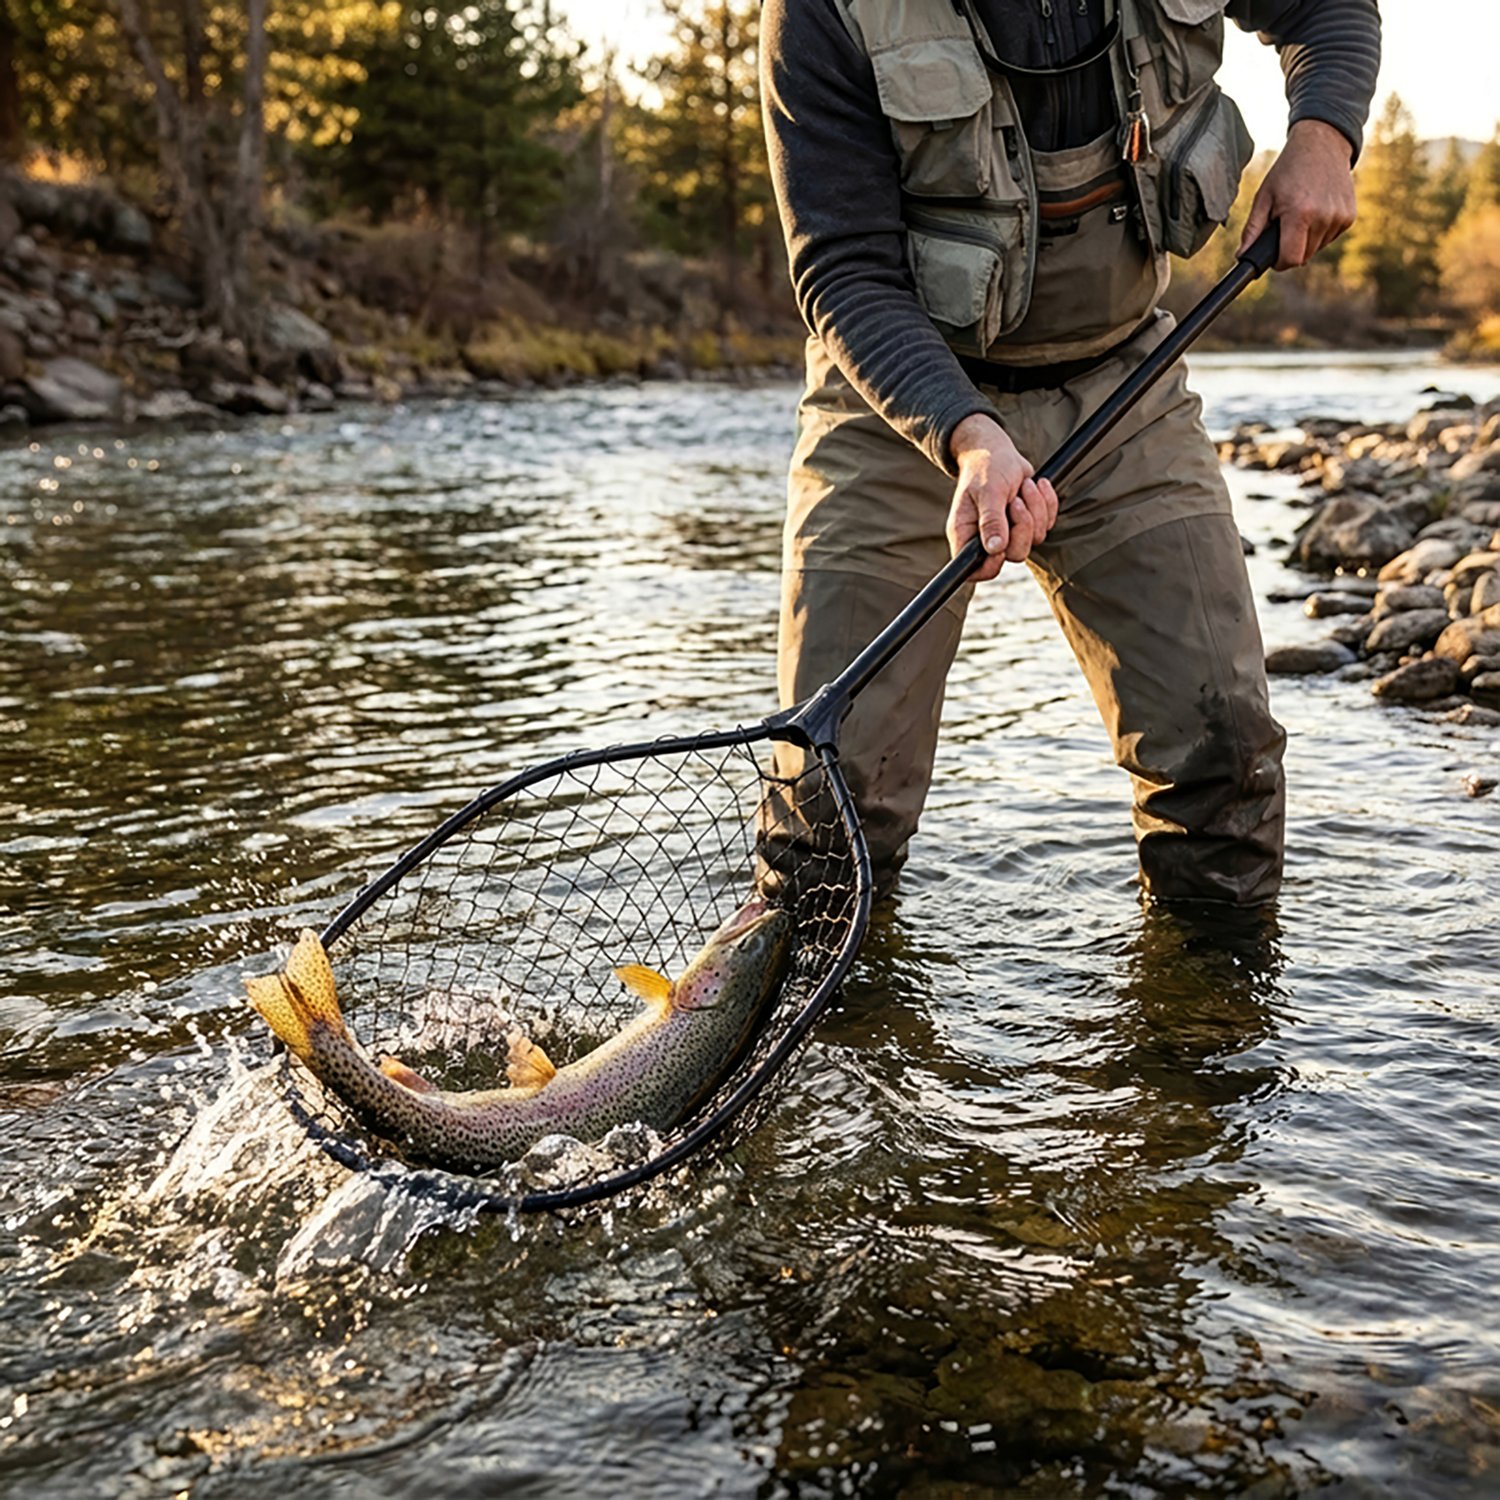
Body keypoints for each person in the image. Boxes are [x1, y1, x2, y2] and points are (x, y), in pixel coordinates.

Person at [758, 0, 1380, 905]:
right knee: (829, 818)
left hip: (1126, 383)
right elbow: (843, 269)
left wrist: (1325, 134)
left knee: (1223, 770)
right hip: (903, 406)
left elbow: (1330, 10)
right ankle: (836, 1039)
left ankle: (1202, 1039)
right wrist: (969, 437)